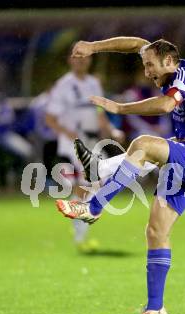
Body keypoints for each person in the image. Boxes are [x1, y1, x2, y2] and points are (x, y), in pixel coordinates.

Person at [55, 36, 185, 314]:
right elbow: (136, 43)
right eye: (145, 64)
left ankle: (93, 207)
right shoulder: (163, 62)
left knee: (144, 145)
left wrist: (119, 108)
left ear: (168, 60)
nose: (147, 71)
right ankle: (156, 308)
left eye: (150, 65)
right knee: (155, 231)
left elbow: (165, 105)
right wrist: (93, 47)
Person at [45, 54, 122, 253]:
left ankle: (79, 228)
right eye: (77, 58)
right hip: (73, 144)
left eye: (84, 58)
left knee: (96, 185)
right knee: (88, 184)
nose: (81, 61)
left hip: (90, 141)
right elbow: (50, 118)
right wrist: (69, 133)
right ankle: (80, 235)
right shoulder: (63, 86)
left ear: (89, 61)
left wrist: (112, 132)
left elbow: (99, 113)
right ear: (70, 61)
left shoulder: (93, 83)